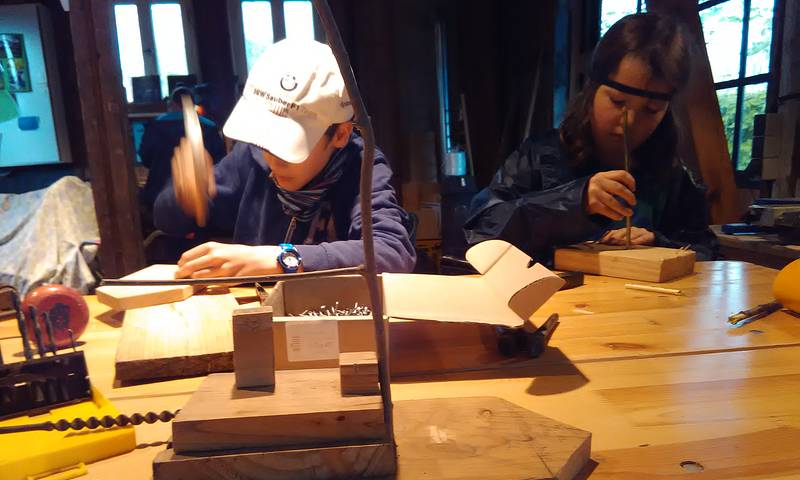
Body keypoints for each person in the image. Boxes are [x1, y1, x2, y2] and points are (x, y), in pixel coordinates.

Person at [463, 13, 719, 264]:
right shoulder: (540, 157)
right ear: (592, 89)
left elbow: (705, 249)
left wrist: (658, 243)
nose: (629, 122)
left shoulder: (671, 175)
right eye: (617, 101)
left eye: (651, 110)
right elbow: (481, 230)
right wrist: (575, 201)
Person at [154, 39, 416, 278]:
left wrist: (283, 258)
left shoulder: (361, 166)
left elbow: (392, 252)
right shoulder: (249, 156)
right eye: (267, 140)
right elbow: (169, 224)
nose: (273, 159)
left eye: (290, 144)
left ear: (340, 134)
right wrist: (181, 198)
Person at [139, 86, 226, 230]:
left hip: (159, 197)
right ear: (193, 104)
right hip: (202, 201)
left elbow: (145, 158)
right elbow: (219, 162)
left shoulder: (154, 125)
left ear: (172, 104)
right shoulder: (209, 127)